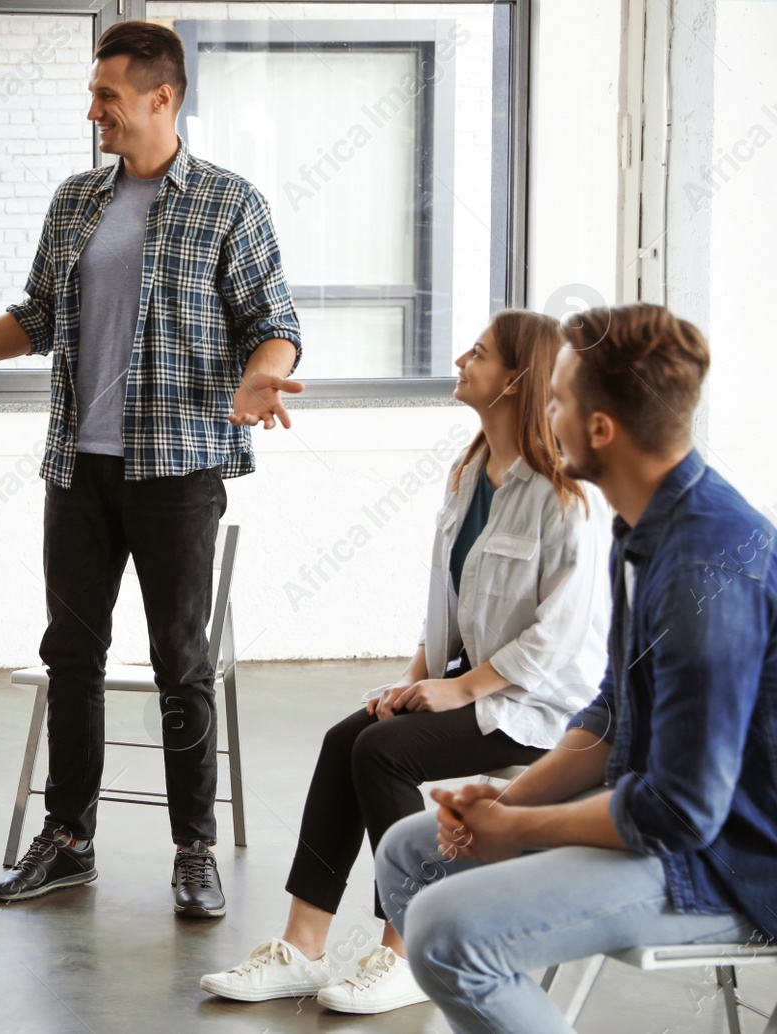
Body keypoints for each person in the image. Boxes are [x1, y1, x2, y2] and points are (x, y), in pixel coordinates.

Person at [0, 20, 302, 918]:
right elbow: (36, 318)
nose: (92, 110)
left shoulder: (229, 202)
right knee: (72, 655)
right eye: (93, 94)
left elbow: (274, 322)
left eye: (106, 95)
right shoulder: (76, 201)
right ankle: (67, 842)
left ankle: (194, 850)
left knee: (181, 660)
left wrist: (264, 379)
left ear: (160, 97)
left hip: (177, 470)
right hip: (79, 470)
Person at [374, 303, 777, 1033]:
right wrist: (507, 806)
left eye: (557, 400)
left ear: (600, 429)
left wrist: (523, 831)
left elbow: (680, 813)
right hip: (671, 837)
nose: (546, 414)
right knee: (413, 853)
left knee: (445, 929)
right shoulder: (642, 528)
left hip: (732, 866)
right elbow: (609, 716)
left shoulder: (703, 565)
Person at [199, 309, 610, 1014]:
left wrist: (463, 691)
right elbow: (445, 605)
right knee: (347, 737)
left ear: (514, 379)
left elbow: (562, 636)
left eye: (476, 354)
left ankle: (409, 949)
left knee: (383, 753)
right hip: (473, 686)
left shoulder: (567, 495)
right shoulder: (471, 473)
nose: (459, 359)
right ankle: (303, 945)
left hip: (540, 703)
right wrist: (417, 679)